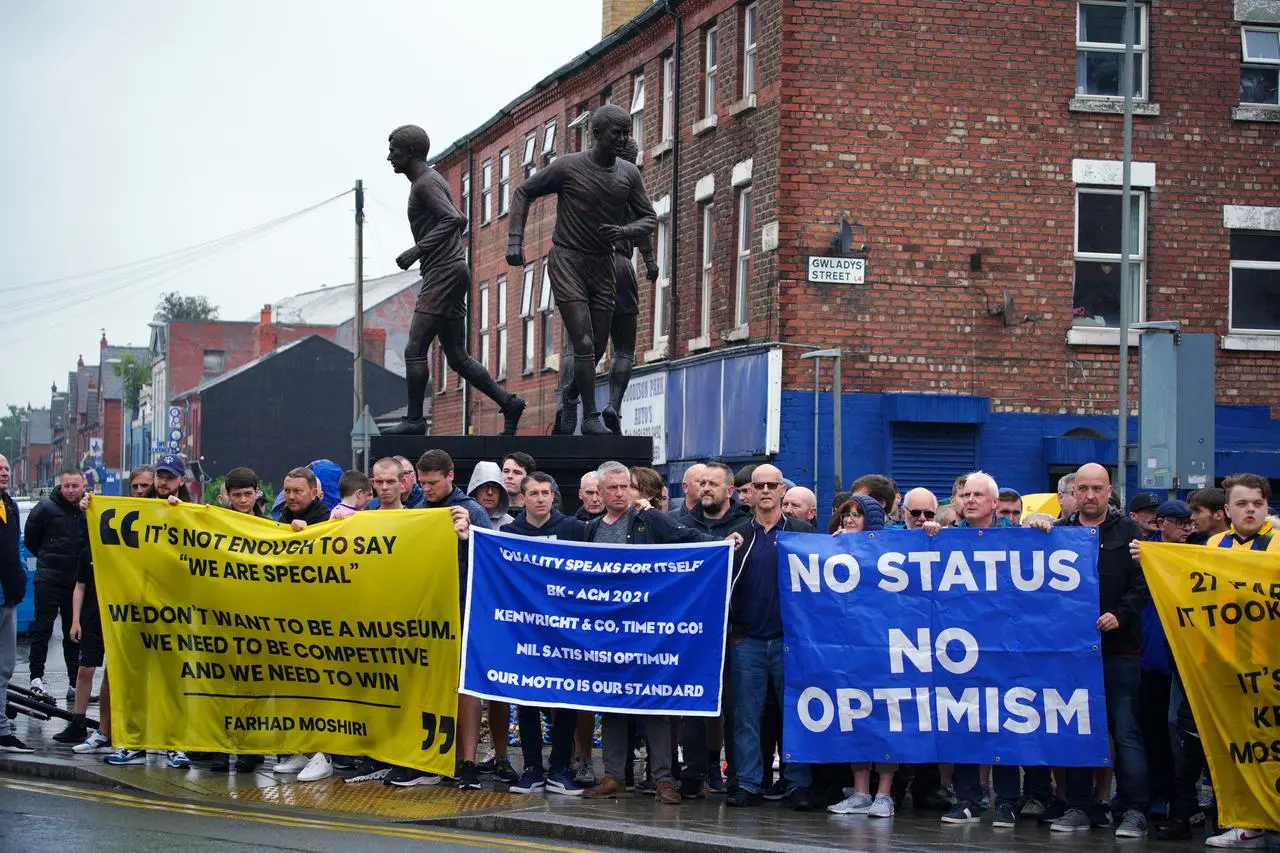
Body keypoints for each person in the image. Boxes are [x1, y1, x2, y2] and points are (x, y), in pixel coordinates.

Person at [507, 105, 656, 436]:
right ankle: (589, 416)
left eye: (627, 132)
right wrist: (515, 241)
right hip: (568, 260)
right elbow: (523, 191)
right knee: (584, 342)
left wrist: (624, 233)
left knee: (599, 346)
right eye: (616, 132)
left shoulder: (629, 174)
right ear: (597, 134)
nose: (623, 139)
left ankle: (571, 394)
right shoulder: (568, 167)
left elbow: (649, 217)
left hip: (603, 264)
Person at [923, 472, 1052, 828]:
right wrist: (931, 537)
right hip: (962, 649)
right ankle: (968, 798)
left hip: (1005, 648)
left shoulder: (1016, 536)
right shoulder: (948, 538)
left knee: (1005, 724)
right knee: (964, 721)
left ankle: (1007, 800)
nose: (971, 499)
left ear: (995, 503)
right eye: (965, 494)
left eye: (979, 494)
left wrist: (1043, 523)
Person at [582, 462, 711, 805]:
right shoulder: (591, 528)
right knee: (610, 702)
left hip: (649, 629)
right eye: (613, 488)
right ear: (601, 491)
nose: (621, 493)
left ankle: (663, 779)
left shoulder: (648, 519)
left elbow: (688, 539)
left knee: (654, 702)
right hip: (609, 630)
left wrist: (722, 544)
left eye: (626, 486)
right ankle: (613, 776)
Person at [382, 123, 525, 436]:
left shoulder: (425, 184)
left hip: (444, 272)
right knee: (457, 357)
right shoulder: (427, 180)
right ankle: (509, 402)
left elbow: (456, 218)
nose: (389, 156)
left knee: (414, 347)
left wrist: (416, 251)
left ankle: (416, 421)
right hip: (450, 270)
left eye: (393, 150)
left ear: (411, 152)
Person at [1049, 462, 1150, 838]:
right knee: (1075, 729)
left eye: (1098, 489)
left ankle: (1135, 808)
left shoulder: (1130, 532)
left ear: (1110, 491)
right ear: (1073, 492)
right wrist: (1037, 529)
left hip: (1120, 650)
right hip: (1071, 654)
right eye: (1083, 489)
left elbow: (1143, 586)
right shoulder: (1057, 533)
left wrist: (1119, 616)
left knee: (1124, 731)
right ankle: (1078, 804)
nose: (1090, 496)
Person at [725, 464, 815, 810]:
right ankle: (748, 782)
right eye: (758, 485)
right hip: (747, 640)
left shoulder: (802, 531)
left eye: (771, 485)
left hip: (790, 642)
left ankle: (797, 783)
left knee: (796, 714)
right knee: (747, 716)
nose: (764, 490)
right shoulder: (737, 535)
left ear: (781, 490)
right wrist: (732, 631)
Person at [501, 472, 587, 797]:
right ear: (522, 499)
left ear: (554, 497)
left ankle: (561, 769)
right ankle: (533, 768)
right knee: (526, 700)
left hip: (565, 634)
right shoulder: (509, 533)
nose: (540, 498)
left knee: (565, 699)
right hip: (525, 632)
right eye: (533, 493)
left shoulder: (574, 530)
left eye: (546, 493)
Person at [415, 449, 492, 789]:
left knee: (465, 688)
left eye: (432, 483)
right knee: (434, 688)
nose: (427, 489)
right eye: (422, 483)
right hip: (429, 614)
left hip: (462, 612)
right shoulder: (416, 511)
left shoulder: (471, 509)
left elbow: (492, 556)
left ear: (449, 476)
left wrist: (470, 533)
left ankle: (469, 760)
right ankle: (439, 756)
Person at [22, 468, 87, 701]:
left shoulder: (88, 511)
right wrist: (48, 558)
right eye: (66, 485)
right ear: (60, 485)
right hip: (48, 578)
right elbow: (31, 540)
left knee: (74, 633)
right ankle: (36, 680)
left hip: (75, 583)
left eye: (75, 486)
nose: (70, 490)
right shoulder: (45, 509)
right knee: (43, 630)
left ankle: (73, 683)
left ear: (83, 485)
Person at [0, 455, 33, 753]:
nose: (4, 473)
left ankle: (1, 730)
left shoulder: (9, 504)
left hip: (7, 597)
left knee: (4, 667)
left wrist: (21, 577)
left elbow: (16, 546)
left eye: (7, 469)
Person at [468, 461, 515, 530]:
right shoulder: (462, 521)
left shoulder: (512, 526)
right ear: (475, 489)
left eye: (495, 487)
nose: (490, 492)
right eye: (484, 486)